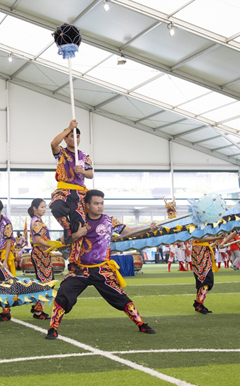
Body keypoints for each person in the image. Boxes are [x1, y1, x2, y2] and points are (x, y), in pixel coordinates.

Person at [47, 190, 157, 339]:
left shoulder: (109, 221)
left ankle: (141, 324)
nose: (100, 206)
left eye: (102, 203)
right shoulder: (78, 220)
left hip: (102, 270)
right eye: (96, 203)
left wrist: (149, 228)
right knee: (63, 295)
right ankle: (53, 329)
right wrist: (79, 233)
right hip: (79, 270)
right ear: (87, 205)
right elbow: (63, 240)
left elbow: (130, 231)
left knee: (120, 297)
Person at [50, 120, 93, 244]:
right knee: (56, 207)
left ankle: (73, 246)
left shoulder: (84, 156)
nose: (76, 139)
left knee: (78, 225)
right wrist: (69, 128)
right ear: (65, 138)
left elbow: (91, 174)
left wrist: (83, 172)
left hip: (79, 193)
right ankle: (66, 227)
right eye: (72, 136)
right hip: (63, 190)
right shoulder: (61, 153)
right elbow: (53, 143)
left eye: (78, 136)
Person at [29, 198, 56, 320]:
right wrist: (51, 244)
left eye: (45, 207)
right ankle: (38, 310)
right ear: (34, 208)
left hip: (42, 254)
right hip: (40, 254)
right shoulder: (36, 222)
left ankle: (38, 308)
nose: (44, 209)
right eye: (41, 207)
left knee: (46, 282)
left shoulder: (38, 220)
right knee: (47, 283)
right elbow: (38, 239)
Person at [190, 236, 222, 314]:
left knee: (203, 279)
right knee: (206, 279)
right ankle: (199, 303)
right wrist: (217, 238)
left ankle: (199, 302)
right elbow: (199, 239)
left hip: (201, 250)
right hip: (201, 251)